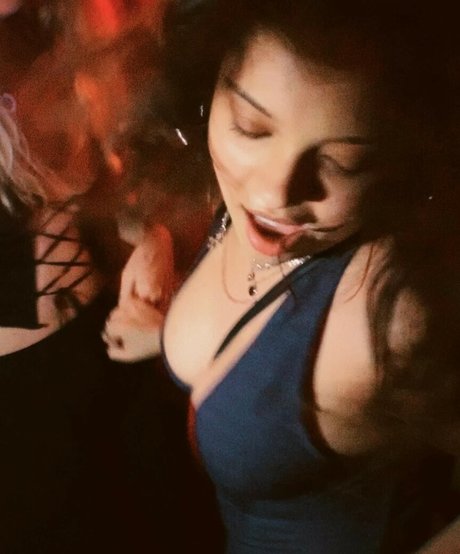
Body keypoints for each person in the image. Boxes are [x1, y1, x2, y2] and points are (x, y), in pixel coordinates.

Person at [105, 0, 460, 552]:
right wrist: (163, 312)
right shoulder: (232, 201)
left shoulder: (395, 311)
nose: (274, 193)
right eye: (251, 128)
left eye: (343, 162)